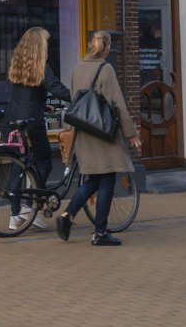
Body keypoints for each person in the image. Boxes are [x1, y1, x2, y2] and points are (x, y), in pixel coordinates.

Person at [56, 30, 142, 247]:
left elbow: (75, 100)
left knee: (94, 179)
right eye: (109, 44)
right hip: (104, 132)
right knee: (107, 181)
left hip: (83, 132)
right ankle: (100, 233)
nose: (110, 48)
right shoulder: (106, 69)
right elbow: (118, 103)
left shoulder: (77, 68)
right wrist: (131, 134)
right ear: (104, 47)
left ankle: (67, 214)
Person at [4, 26, 70, 231]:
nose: (49, 45)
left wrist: (43, 104)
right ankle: (29, 208)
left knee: (19, 164)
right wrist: (80, 96)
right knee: (45, 163)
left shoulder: (18, 62)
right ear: (40, 45)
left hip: (13, 119)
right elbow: (56, 88)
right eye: (47, 42)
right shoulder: (41, 64)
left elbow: (26, 92)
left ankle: (15, 215)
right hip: (32, 121)